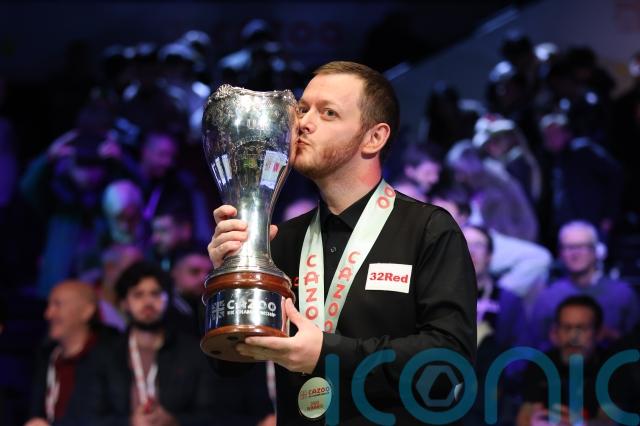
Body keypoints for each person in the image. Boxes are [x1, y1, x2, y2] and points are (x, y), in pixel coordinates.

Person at [208, 61, 476, 424]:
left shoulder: (428, 230)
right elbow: (230, 363)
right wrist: (227, 277)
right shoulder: (280, 241)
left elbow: (449, 364)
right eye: (302, 109)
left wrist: (326, 354)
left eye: (328, 113)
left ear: (374, 138)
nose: (303, 123)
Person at [90, 261, 223, 425]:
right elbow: (88, 416)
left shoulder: (193, 352)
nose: (148, 302)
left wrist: (174, 421)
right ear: (124, 303)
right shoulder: (105, 354)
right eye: (138, 294)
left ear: (168, 299)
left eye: (155, 294)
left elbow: (211, 415)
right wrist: (129, 422)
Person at [530, 221, 639, 350]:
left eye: (581, 247)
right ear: (560, 253)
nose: (575, 253)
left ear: (597, 251)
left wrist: (613, 337)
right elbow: (536, 346)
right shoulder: (547, 297)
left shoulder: (622, 294)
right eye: (568, 247)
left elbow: (635, 343)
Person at [26, 280, 116, 426]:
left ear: (86, 311)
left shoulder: (112, 358)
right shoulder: (47, 357)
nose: (48, 314)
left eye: (58, 305)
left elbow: (121, 416)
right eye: (49, 305)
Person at [516, 296, 612, 426]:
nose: (573, 337)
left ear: (598, 333)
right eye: (566, 327)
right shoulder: (540, 365)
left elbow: (610, 421)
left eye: (582, 328)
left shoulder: (612, 367)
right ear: (555, 333)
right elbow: (524, 417)